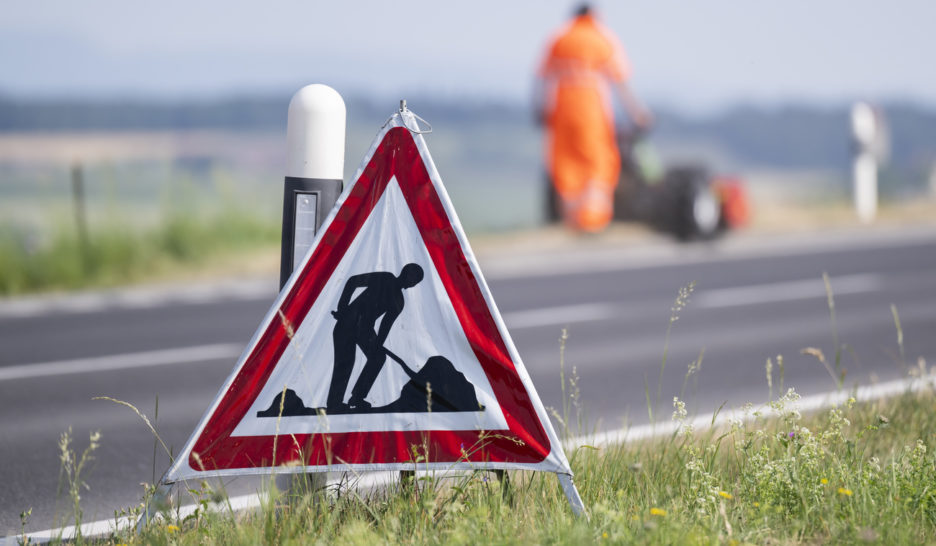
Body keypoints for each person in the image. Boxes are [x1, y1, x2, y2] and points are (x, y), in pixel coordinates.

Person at [536, 3, 652, 232]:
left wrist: (541, 110)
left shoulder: (559, 39)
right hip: (591, 111)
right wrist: (638, 113)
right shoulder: (601, 38)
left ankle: (570, 220)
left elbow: (542, 78)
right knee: (597, 162)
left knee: (564, 163)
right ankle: (594, 220)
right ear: (593, 16)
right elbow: (621, 82)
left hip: (561, 112)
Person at [328, 263, 424, 411]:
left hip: (365, 330)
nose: (412, 282)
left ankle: (358, 397)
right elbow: (353, 281)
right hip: (348, 321)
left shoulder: (399, 301)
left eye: (416, 281)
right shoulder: (386, 278)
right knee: (346, 363)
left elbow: (385, 326)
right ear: (405, 271)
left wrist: (378, 344)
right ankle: (334, 404)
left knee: (378, 357)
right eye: (413, 276)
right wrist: (343, 309)